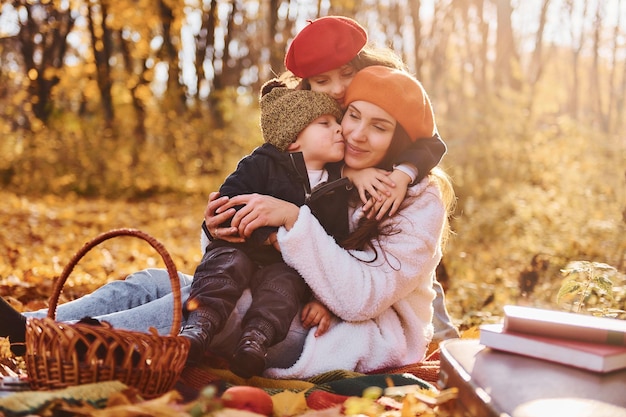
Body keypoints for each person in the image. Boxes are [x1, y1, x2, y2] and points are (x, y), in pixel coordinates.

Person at [0, 65, 454, 378]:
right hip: (293, 298)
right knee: (159, 281)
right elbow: (258, 241)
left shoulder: (419, 199)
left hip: (348, 334)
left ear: (401, 141)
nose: (356, 133)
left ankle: (61, 343)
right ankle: (27, 326)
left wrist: (293, 222)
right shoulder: (337, 170)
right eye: (352, 116)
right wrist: (221, 227)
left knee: (216, 308)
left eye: (379, 127)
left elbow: (361, 297)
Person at [212, 15, 459, 341]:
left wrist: (404, 171)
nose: (339, 89)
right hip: (332, 269)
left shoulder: (381, 89)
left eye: (347, 74)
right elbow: (292, 172)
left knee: (420, 279)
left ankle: (440, 329)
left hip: (386, 275)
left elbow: (428, 139)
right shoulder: (313, 120)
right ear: (308, 87)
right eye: (323, 81)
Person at [181, 79, 348, 378]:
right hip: (240, 247)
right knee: (223, 269)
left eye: (338, 121)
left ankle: (255, 340)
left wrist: (322, 300)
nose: (339, 128)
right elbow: (228, 204)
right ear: (294, 139)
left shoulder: (337, 187)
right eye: (325, 123)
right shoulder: (261, 164)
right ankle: (199, 324)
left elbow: (335, 248)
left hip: (286, 265)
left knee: (282, 290)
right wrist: (267, 236)